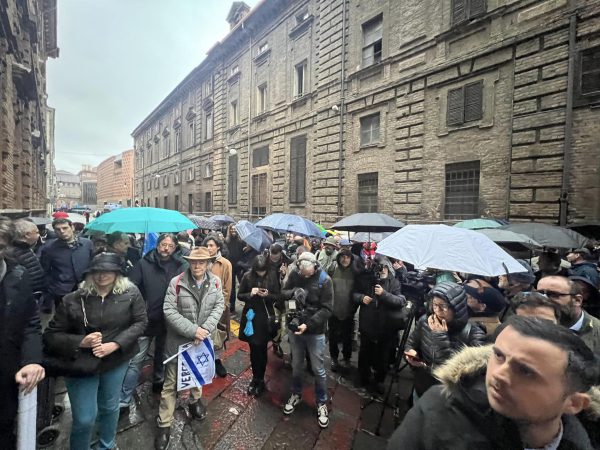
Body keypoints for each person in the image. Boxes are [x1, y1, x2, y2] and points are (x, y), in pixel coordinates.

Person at [388, 316, 599, 449]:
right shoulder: (439, 408)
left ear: (574, 403)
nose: (499, 374)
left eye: (525, 371)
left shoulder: (584, 441)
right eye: (498, 356)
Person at [43, 253, 147, 450]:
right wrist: (81, 341)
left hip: (116, 361)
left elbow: (140, 321)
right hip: (80, 365)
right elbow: (50, 336)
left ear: (117, 273)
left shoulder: (131, 293)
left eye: (108, 270)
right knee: (84, 418)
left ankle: (106, 445)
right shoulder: (72, 299)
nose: (102, 275)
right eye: (97, 271)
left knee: (109, 407)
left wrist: (116, 344)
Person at [155, 247, 224, 450]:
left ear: (209, 263)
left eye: (201, 262)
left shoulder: (216, 282)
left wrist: (204, 330)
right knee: (170, 384)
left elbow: (219, 306)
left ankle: (195, 402)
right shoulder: (176, 283)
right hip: (179, 343)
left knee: (198, 375)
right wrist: (193, 330)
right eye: (194, 262)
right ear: (189, 262)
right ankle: (164, 424)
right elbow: (169, 310)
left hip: (201, 342)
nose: (197, 265)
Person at [119, 233, 188, 410]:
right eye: (163, 244)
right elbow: (130, 289)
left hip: (169, 321)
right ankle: (123, 399)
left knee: (163, 354)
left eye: (170, 246)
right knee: (136, 359)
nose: (166, 248)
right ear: (157, 245)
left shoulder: (180, 266)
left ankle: (159, 379)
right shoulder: (143, 263)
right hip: (146, 320)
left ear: (175, 248)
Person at [0, 217, 45, 450]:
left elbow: (30, 320)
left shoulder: (18, 274)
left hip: (6, 371)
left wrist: (31, 360)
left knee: (6, 426)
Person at [404, 281, 486, 397]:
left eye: (443, 306)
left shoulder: (474, 335)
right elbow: (411, 342)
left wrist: (440, 336)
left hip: (448, 398)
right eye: (434, 305)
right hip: (422, 386)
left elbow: (463, 376)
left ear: (457, 308)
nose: (437, 311)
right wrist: (411, 354)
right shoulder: (425, 321)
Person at [280, 252, 333, 428]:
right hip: (295, 327)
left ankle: (321, 402)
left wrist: (308, 325)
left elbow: (327, 309)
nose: (303, 274)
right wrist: (294, 291)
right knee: (296, 364)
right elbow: (284, 292)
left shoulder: (325, 280)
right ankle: (296, 393)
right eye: (301, 271)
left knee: (318, 369)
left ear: (315, 266)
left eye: (306, 272)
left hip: (314, 331)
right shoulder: (296, 273)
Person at [354, 257, 405, 392]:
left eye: (384, 267)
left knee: (382, 356)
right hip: (368, 324)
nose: (381, 270)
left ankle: (379, 380)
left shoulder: (394, 282)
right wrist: (361, 298)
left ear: (388, 268)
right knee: (365, 352)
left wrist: (384, 294)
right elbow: (354, 293)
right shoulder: (368, 279)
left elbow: (400, 301)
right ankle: (363, 377)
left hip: (386, 326)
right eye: (379, 267)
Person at [237, 255, 281, 396]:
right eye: (258, 271)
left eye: (263, 271)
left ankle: (260, 379)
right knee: (253, 348)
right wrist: (250, 293)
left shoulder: (272, 276)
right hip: (251, 316)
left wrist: (268, 295)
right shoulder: (247, 276)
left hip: (265, 317)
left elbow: (277, 296)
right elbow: (240, 295)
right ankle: (255, 378)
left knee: (261, 348)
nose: (261, 273)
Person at [40, 218, 93, 313]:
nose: (62, 231)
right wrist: (52, 289)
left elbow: (92, 264)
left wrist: (88, 280)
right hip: (61, 291)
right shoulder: (49, 248)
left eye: (65, 228)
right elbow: (45, 271)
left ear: (72, 227)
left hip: (84, 289)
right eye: (58, 229)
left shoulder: (86, 244)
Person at [537, 275, 600, 353]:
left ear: (577, 300)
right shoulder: (529, 326)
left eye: (553, 294)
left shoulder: (597, 332)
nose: (543, 300)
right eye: (539, 294)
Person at [202, 235, 232, 378]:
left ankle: (217, 360)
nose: (209, 248)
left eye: (212, 245)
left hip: (218, 306)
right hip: (202, 306)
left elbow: (227, 288)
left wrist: (220, 306)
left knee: (218, 334)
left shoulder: (225, 263)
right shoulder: (201, 261)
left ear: (218, 247)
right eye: (207, 245)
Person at [328, 249, 358, 372]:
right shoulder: (333, 270)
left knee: (347, 338)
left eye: (348, 257)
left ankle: (346, 358)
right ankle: (334, 358)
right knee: (333, 337)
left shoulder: (355, 273)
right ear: (339, 258)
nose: (345, 260)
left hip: (348, 312)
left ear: (351, 259)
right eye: (343, 257)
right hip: (333, 311)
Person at [11, 219, 46, 294]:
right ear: (27, 235)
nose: (39, 235)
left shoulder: (25, 248)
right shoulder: (14, 252)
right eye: (36, 232)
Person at [225, 224, 245, 314]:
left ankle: (246, 303)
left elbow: (244, 253)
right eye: (232, 229)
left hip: (240, 266)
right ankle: (232, 305)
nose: (233, 231)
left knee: (243, 284)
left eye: (235, 229)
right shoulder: (227, 241)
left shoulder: (241, 241)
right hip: (230, 266)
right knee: (231, 287)